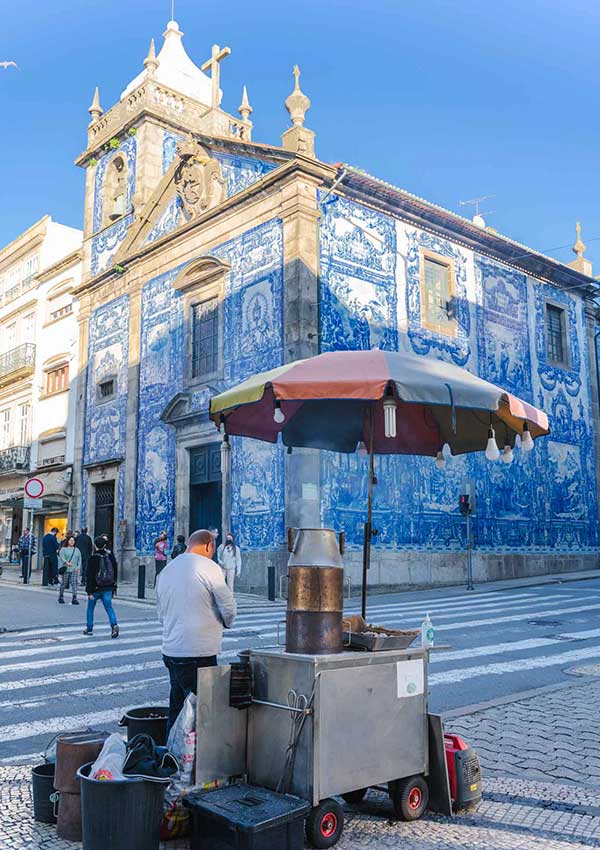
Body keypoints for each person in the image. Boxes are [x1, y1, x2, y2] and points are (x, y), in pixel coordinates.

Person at [156, 528, 236, 733]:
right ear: (209, 545)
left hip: (172, 651)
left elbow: (160, 613)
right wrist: (226, 622)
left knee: (177, 706)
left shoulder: (167, 570)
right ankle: (198, 759)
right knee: (203, 713)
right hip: (197, 652)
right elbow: (228, 607)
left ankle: (170, 754)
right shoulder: (209, 567)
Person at [84, 536, 119, 638]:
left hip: (95, 588)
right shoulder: (110, 557)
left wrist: (89, 591)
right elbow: (115, 572)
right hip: (108, 587)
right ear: (104, 545)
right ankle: (114, 625)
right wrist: (114, 587)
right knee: (109, 608)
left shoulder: (93, 558)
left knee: (90, 608)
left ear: (95, 546)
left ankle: (89, 628)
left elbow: (89, 576)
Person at [58, 534, 81, 605]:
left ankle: (75, 598)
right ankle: (61, 596)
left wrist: (78, 567)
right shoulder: (63, 549)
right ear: (68, 541)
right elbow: (62, 557)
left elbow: (79, 559)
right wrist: (66, 562)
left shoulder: (77, 550)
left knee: (74, 583)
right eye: (70, 540)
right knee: (64, 584)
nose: (72, 542)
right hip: (66, 569)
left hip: (74, 570)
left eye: (73, 540)